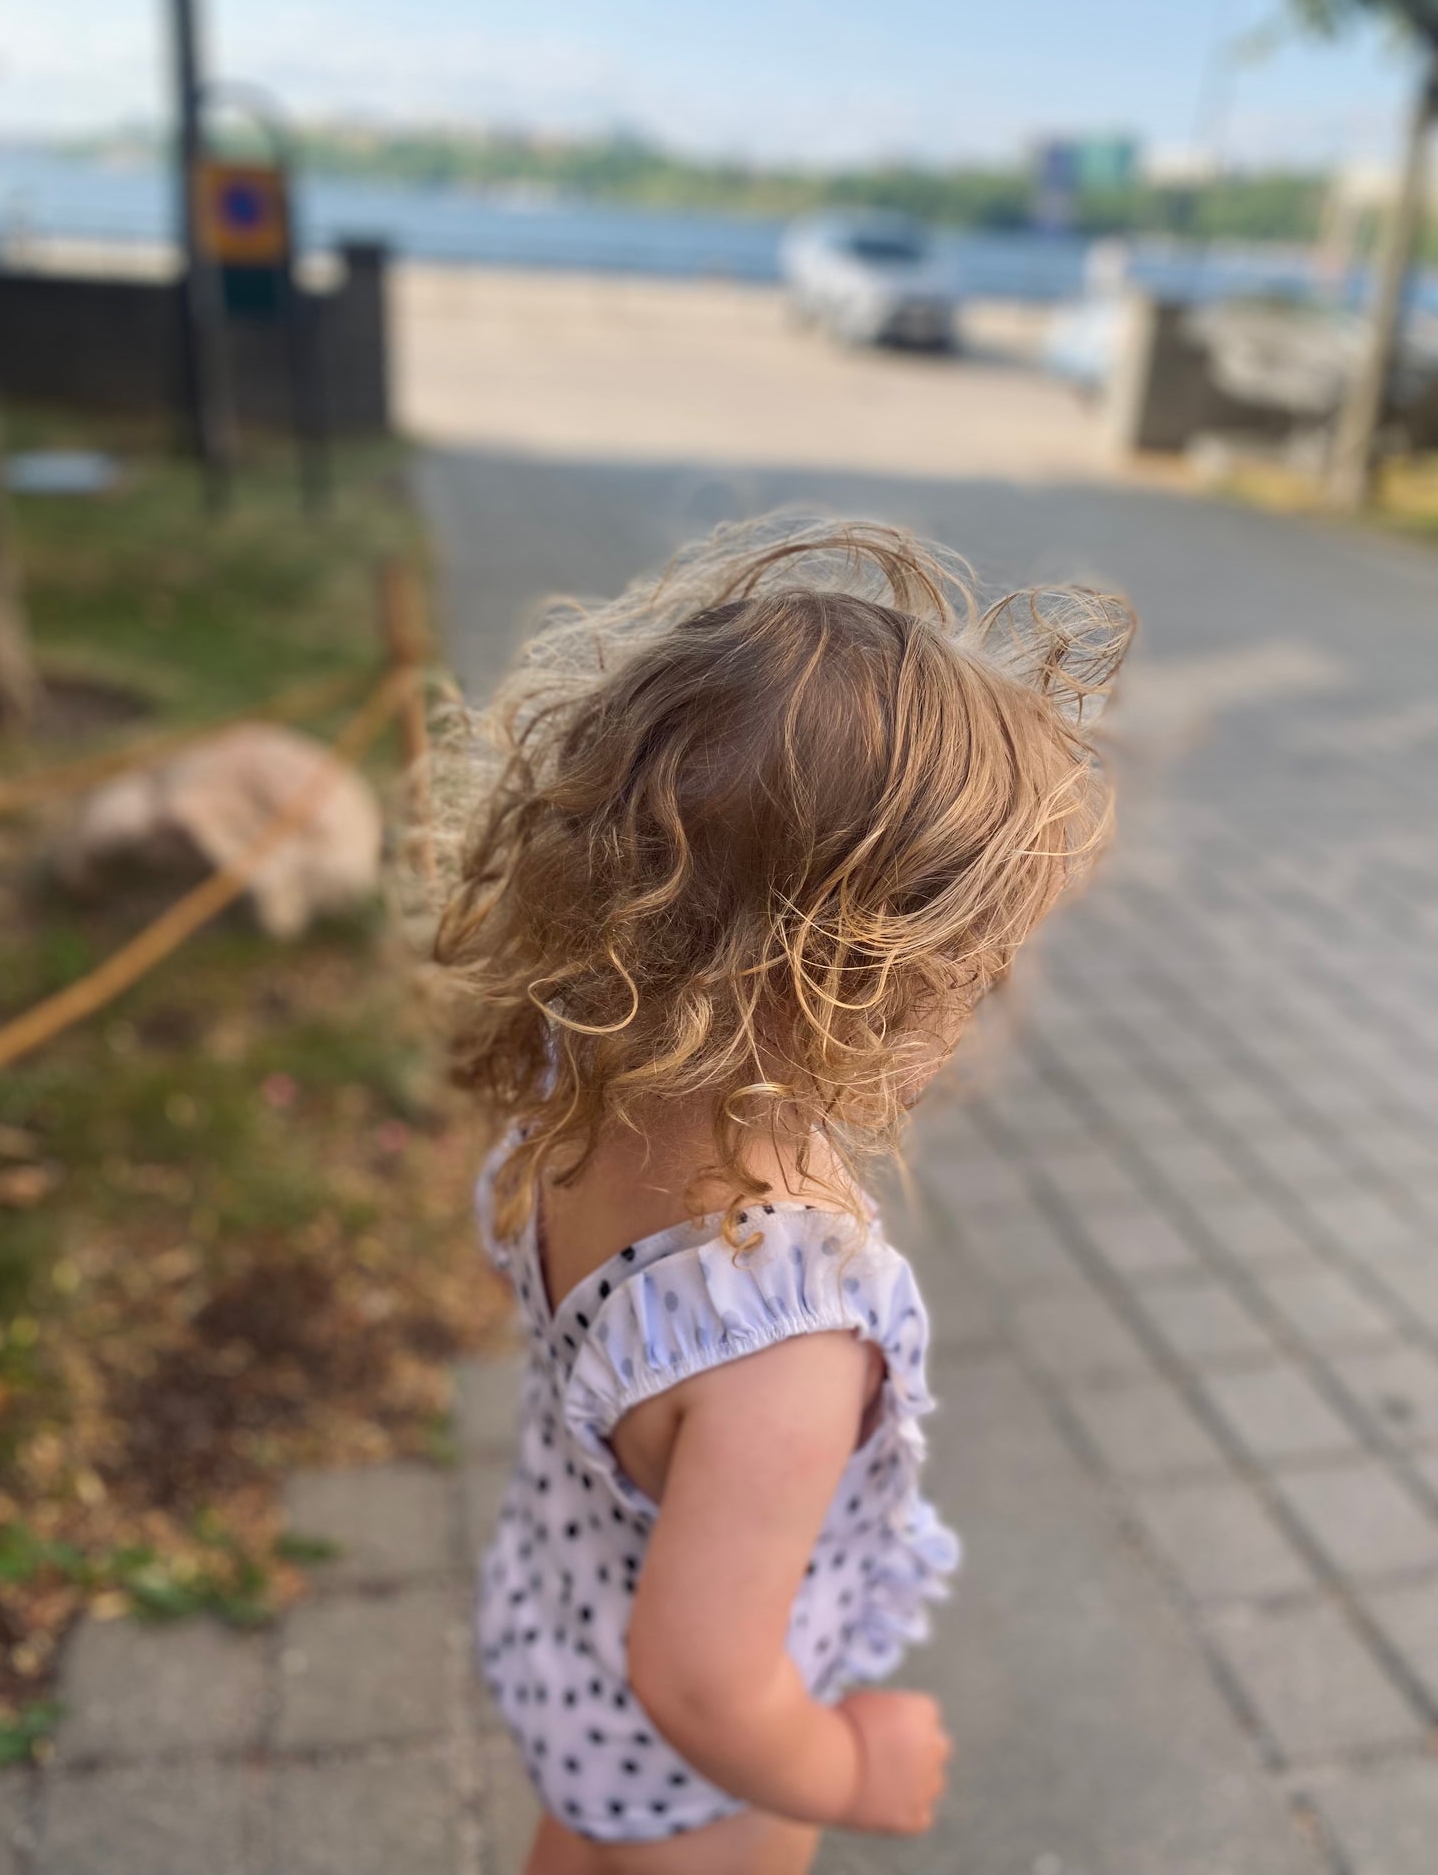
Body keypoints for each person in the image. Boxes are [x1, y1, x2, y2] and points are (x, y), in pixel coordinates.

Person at [428, 517, 1133, 1873]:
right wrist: (850, 1770)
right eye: (969, 963)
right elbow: (702, 1684)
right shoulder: (784, 1337)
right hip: (700, 1777)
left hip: (566, 1657)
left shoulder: (578, 1078)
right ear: (842, 983)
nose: (984, 993)